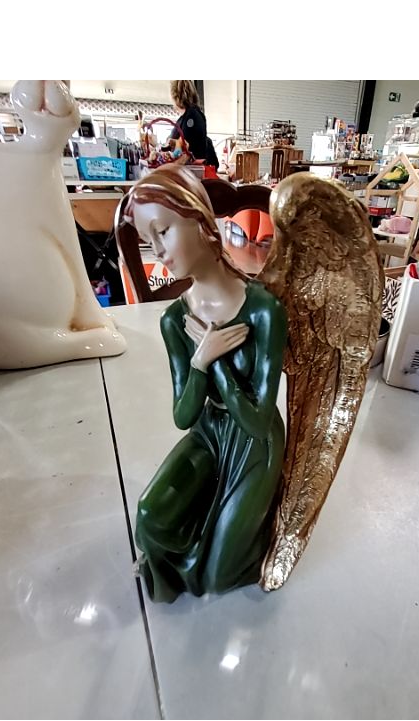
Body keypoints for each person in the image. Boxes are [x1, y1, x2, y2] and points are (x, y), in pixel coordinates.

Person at [121, 163, 287, 602]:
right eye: (148, 239)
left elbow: (257, 420)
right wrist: (198, 362)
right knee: (150, 516)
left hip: (254, 446)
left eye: (163, 231)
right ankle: (193, 543)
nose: (157, 250)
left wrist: (214, 362)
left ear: (199, 220)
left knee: (218, 578)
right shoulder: (174, 319)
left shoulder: (264, 310)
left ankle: (242, 537)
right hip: (209, 431)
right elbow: (183, 416)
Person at [169, 80, 219, 167]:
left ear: (176, 96)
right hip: (185, 171)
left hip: (186, 172)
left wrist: (170, 167)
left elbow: (187, 151)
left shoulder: (192, 116)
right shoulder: (189, 116)